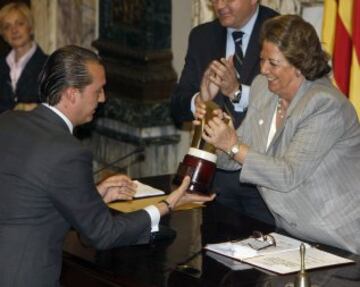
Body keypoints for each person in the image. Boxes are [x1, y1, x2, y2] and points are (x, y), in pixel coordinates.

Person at [0, 45, 214, 286]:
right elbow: (103, 234)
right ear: (72, 94)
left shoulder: (9, 121)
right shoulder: (69, 152)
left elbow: (32, 198)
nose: (103, 99)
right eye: (98, 90)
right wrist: (166, 205)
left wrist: (94, 195)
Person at [198, 15, 360, 254]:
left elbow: (287, 174)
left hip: (338, 239)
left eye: (273, 63)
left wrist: (233, 146)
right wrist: (218, 135)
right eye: (262, 60)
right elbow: (234, 160)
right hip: (290, 234)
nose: (263, 70)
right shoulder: (264, 90)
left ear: (299, 65)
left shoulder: (325, 104)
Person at [171, 0, 278, 225]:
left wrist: (237, 92)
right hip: (214, 178)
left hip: (263, 181)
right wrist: (200, 101)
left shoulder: (279, 31)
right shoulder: (202, 36)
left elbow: (289, 100)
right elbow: (177, 107)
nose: (220, 5)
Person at [0, 2, 47, 113]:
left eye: (20, 24)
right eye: (7, 27)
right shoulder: (1, 66)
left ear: (30, 27)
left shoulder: (50, 65)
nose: (14, 30)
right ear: (3, 35)